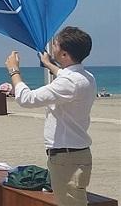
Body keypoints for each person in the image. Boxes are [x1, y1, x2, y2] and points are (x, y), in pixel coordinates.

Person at [5, 26, 95, 206]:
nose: (52, 47)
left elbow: (26, 99)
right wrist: (49, 64)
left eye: (55, 45)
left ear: (64, 55)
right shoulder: (86, 76)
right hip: (75, 155)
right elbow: (65, 76)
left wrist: (14, 71)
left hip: (66, 159)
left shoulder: (69, 83)